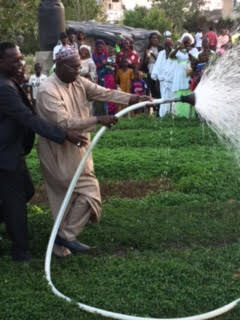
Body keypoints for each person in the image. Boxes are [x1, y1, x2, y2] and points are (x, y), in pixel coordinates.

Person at [35, 47, 149, 257]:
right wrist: (98, 119)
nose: (79, 72)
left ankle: (60, 247)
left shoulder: (77, 81)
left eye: (80, 67)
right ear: (59, 66)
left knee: (73, 196)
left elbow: (103, 92)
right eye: (74, 67)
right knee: (86, 193)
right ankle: (66, 236)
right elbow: (64, 122)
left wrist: (133, 99)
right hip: (57, 152)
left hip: (78, 148)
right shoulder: (47, 90)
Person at [0, 42, 88, 262]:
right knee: (16, 203)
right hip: (4, 156)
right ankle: (21, 253)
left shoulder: (9, 82)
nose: (21, 63)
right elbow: (28, 119)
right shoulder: (4, 88)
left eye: (21, 58)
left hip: (11, 154)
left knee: (27, 191)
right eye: (15, 60)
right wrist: (64, 134)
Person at [170, 36, 198, 118]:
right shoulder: (178, 51)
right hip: (179, 74)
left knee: (189, 90)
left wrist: (189, 52)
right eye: (184, 42)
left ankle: (189, 115)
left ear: (191, 42)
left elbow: (194, 61)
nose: (186, 44)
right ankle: (178, 115)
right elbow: (171, 56)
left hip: (188, 73)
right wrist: (178, 48)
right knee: (179, 91)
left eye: (188, 42)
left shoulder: (194, 50)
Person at [151, 39, 176, 117]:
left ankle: (173, 116)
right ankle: (163, 116)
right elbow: (157, 66)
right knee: (164, 99)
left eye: (170, 45)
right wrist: (155, 78)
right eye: (166, 45)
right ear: (164, 46)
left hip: (172, 81)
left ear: (172, 46)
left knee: (173, 99)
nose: (168, 47)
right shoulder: (161, 53)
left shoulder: (176, 53)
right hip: (162, 81)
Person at [142, 33, 162, 109]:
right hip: (150, 70)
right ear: (150, 40)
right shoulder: (147, 49)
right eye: (153, 38)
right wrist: (147, 58)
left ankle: (160, 106)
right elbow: (144, 63)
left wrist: (153, 55)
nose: (155, 39)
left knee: (158, 89)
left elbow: (161, 61)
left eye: (156, 38)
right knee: (152, 89)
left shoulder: (161, 48)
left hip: (159, 70)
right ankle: (154, 107)